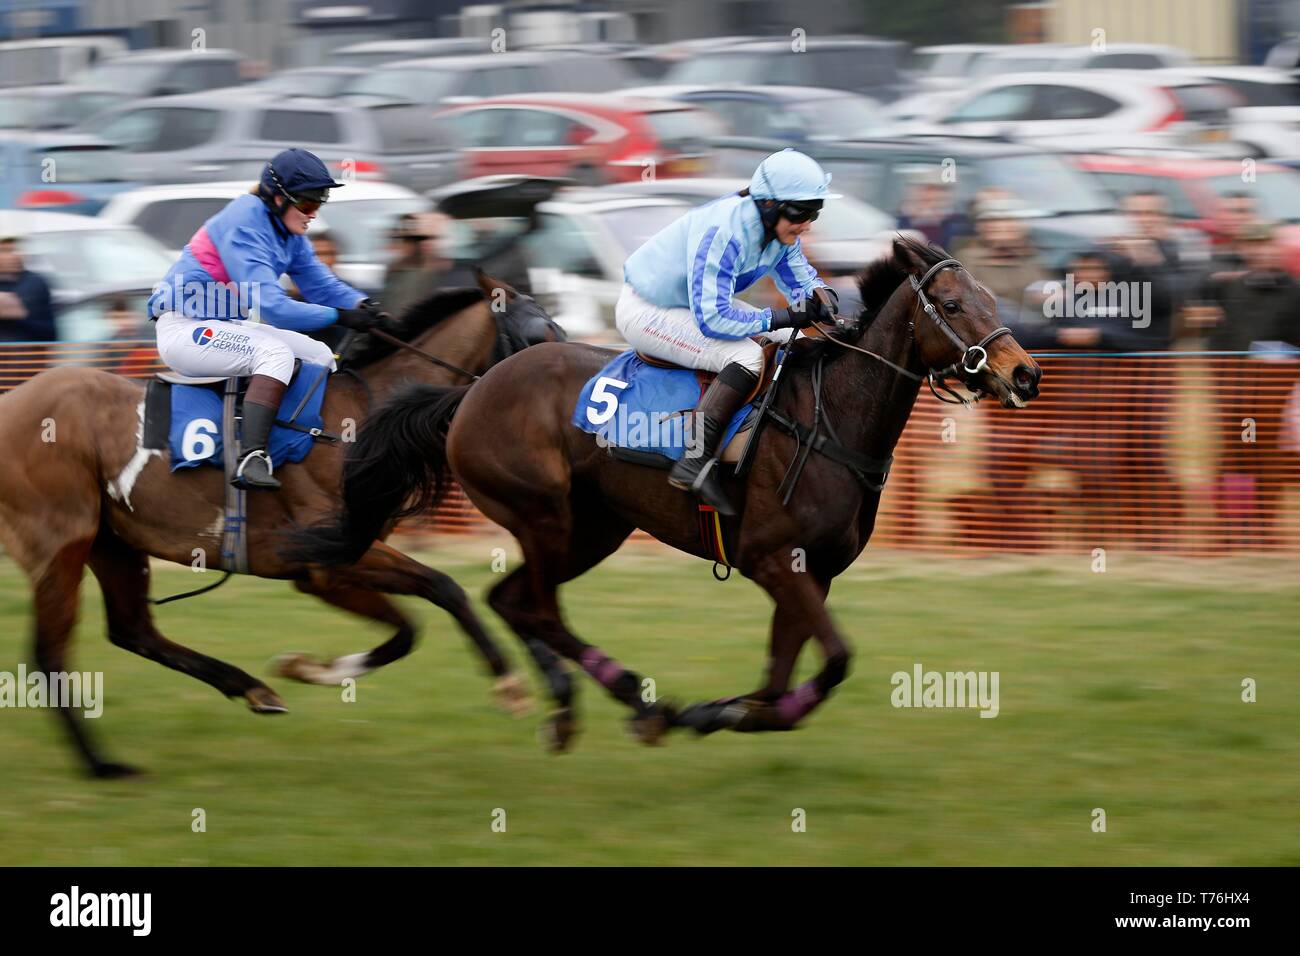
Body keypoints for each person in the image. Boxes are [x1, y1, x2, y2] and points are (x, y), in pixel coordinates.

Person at [617, 148, 844, 514]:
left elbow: (802, 282)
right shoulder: (726, 230)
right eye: (801, 213)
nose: (807, 224)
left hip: (688, 305)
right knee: (747, 354)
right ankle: (694, 461)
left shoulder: (778, 232)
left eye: (814, 213)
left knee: (799, 342)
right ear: (768, 204)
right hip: (647, 308)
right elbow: (712, 319)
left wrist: (825, 299)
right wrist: (780, 318)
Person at [149, 147, 390, 490]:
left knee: (319, 355)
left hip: (223, 325)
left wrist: (366, 307)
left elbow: (319, 284)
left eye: (319, 205)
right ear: (278, 198)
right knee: (274, 354)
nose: (313, 215)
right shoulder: (243, 222)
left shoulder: (288, 231)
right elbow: (274, 307)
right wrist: (341, 316)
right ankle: (252, 457)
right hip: (185, 329)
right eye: (307, 205)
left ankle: (294, 442)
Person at [0, 235, 57, 344]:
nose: (12, 256)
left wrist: (20, 315)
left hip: (25, 354)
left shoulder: (34, 283)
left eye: (15, 250)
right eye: (4, 250)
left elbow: (48, 330)